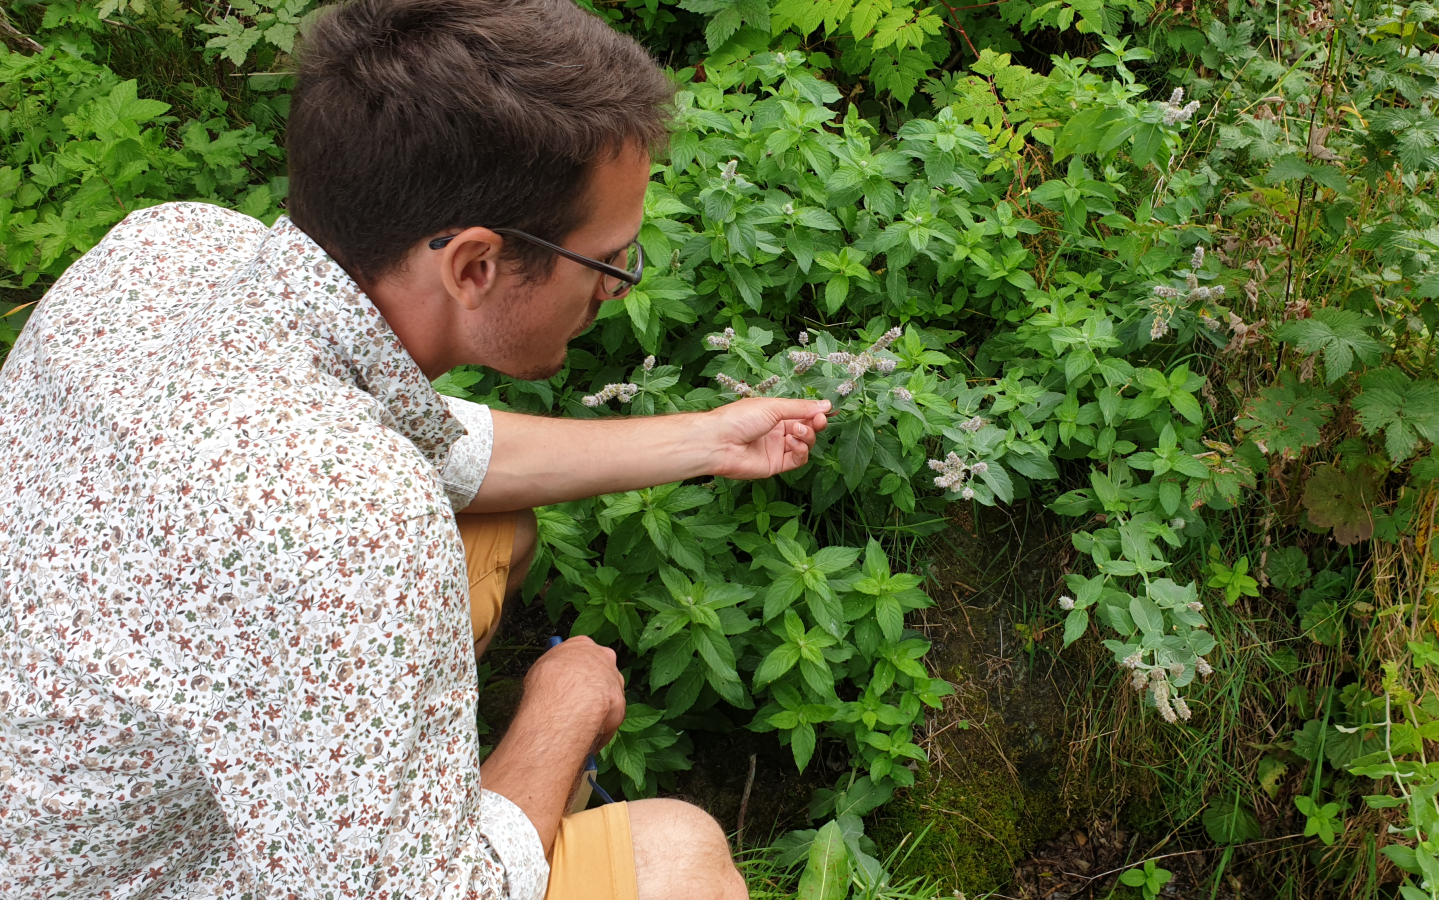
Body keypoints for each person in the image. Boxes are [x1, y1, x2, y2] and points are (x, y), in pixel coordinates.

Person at [0, 0, 832, 898]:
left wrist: (707, 437)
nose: (620, 292)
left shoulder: (174, 246)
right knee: (678, 854)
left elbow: (445, 446)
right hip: (105, 878)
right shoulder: (353, 520)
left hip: (57, 767)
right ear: (474, 266)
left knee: (498, 531)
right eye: (610, 262)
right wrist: (557, 714)